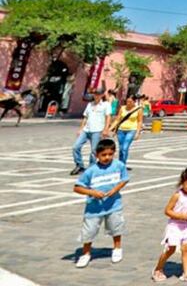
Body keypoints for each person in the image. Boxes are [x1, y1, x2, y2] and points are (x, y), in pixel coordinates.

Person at [72, 138, 128, 268]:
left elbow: (124, 179)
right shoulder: (91, 171)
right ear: (96, 155)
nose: (107, 157)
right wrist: (92, 193)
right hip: (94, 208)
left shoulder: (119, 165)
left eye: (110, 154)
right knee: (89, 231)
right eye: (103, 155)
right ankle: (86, 254)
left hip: (114, 205)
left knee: (116, 227)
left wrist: (115, 189)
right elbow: (77, 188)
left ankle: (117, 248)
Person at [152, 165, 187, 282]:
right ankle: (158, 269)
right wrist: (180, 216)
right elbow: (167, 210)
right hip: (175, 226)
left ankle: (186, 273)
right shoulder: (177, 195)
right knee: (171, 248)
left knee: (186, 248)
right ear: (182, 182)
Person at [71, 88, 111, 175]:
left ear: (102, 95)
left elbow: (108, 117)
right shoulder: (90, 104)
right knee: (76, 147)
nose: (96, 95)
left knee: (94, 151)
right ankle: (79, 165)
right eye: (95, 94)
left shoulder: (106, 105)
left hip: (97, 130)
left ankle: (91, 168)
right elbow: (86, 117)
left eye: (98, 94)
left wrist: (106, 129)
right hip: (86, 129)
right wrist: (81, 129)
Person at [112, 95, 143, 170]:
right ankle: (121, 164)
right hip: (121, 130)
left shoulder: (139, 109)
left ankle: (122, 165)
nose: (128, 103)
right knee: (121, 148)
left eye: (130, 102)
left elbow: (139, 121)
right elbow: (118, 119)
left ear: (134, 102)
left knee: (125, 148)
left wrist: (137, 133)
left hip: (131, 130)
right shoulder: (122, 108)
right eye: (127, 101)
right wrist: (111, 128)